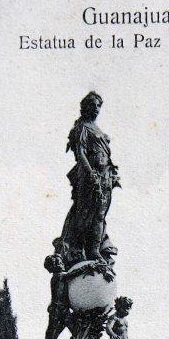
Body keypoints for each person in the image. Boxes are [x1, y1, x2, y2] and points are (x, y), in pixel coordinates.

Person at [57, 92, 120, 267]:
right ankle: (81, 250)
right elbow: (81, 153)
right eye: (93, 104)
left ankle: (95, 249)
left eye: (99, 105)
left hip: (106, 175)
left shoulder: (98, 129)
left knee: (100, 214)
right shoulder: (83, 127)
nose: (96, 108)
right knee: (85, 215)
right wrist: (91, 174)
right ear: (85, 106)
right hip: (89, 177)